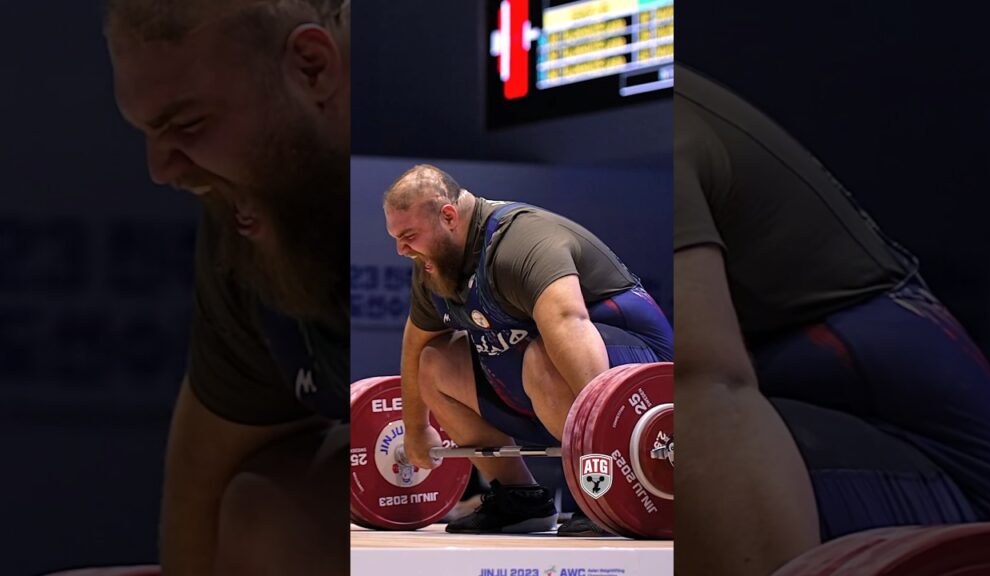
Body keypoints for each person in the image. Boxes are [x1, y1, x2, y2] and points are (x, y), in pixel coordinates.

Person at [675, 62, 990, 575]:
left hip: (960, 484)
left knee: (668, 440)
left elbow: (705, 389)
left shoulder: (669, 126)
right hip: (831, 405)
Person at [105, 0, 350, 574]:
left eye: (188, 124)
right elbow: (202, 485)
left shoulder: (452, 203)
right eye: (147, 132)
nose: (161, 170)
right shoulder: (246, 217)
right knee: (270, 508)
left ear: (311, 68)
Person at [382, 164, 674, 536]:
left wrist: (605, 450)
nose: (401, 249)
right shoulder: (433, 263)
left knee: (543, 355)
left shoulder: (521, 243)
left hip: (642, 383)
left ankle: (606, 490)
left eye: (408, 236)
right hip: (548, 388)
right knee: (434, 362)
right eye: (396, 238)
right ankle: (518, 499)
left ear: (449, 216)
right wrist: (415, 429)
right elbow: (416, 341)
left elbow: (570, 325)